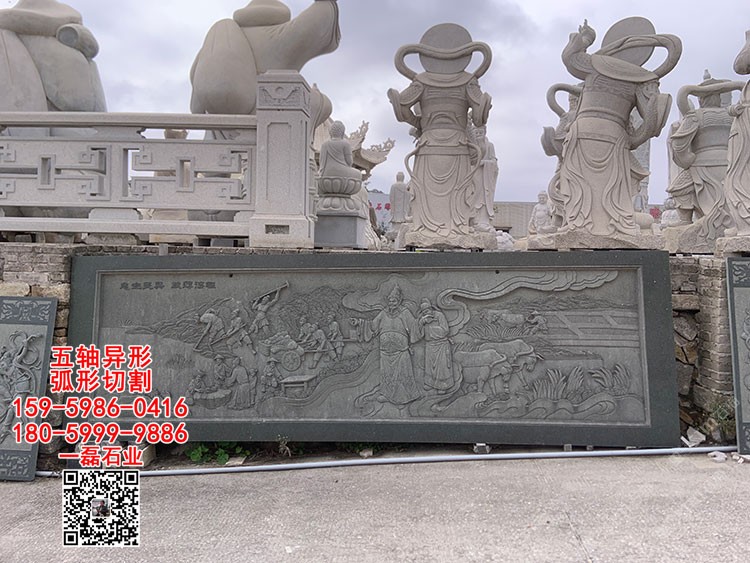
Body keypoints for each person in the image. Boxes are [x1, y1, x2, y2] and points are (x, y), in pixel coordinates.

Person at [559, 18, 681, 237]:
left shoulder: (593, 63)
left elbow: (569, 56)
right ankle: (609, 227)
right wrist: (634, 139)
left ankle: (581, 226)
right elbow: (651, 121)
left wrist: (586, 38)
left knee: (582, 186)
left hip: (583, 130)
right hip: (614, 137)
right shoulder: (641, 78)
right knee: (611, 191)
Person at [353, 286, 421, 405]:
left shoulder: (405, 313)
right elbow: (372, 325)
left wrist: (422, 322)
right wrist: (359, 322)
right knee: (387, 374)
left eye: (394, 301)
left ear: (399, 301)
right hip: (385, 352)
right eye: (389, 301)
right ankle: (387, 395)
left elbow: (414, 326)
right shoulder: (383, 313)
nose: (391, 303)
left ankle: (406, 396)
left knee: (403, 373)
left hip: (400, 351)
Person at [417, 299, 456, 393]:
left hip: (441, 344)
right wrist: (422, 323)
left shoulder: (439, 315)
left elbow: (445, 330)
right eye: (423, 312)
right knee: (430, 366)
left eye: (427, 310)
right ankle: (430, 383)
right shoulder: (423, 318)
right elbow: (419, 333)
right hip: (430, 344)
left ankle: (442, 386)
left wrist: (430, 328)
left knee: (441, 366)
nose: (425, 313)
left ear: (431, 309)